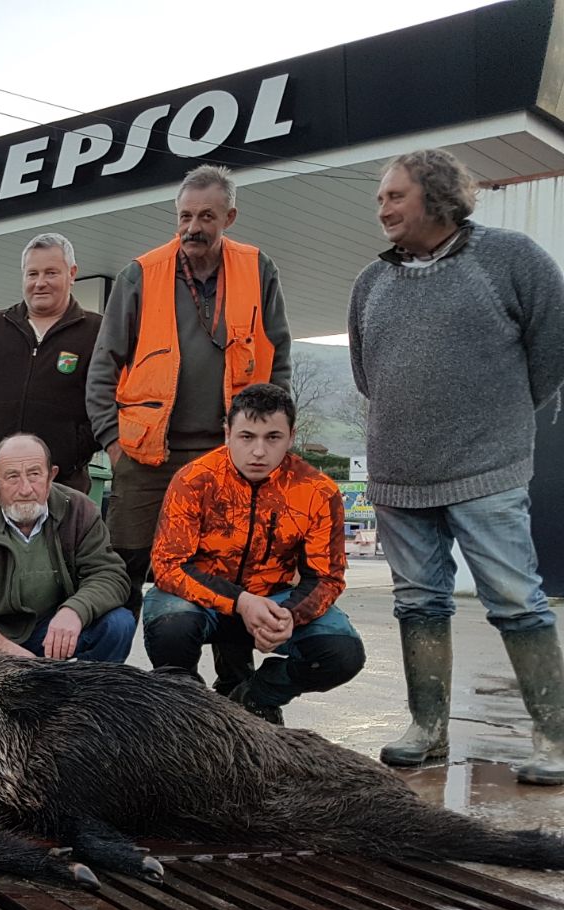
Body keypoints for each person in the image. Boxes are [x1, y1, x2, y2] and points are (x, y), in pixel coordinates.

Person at [350, 148, 564, 783]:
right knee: (417, 602)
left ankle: (554, 735)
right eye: (381, 197)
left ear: (436, 196)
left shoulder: (510, 258)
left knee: (516, 600)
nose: (382, 207)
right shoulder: (372, 280)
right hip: (399, 474)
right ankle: (429, 729)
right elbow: (366, 374)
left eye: (395, 196)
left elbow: (551, 349)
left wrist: (496, 419)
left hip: (487, 468)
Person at [87, 165, 292, 628]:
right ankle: (105, 686)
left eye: (205, 217)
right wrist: (114, 446)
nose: (192, 228)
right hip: (146, 457)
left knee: (233, 566)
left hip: (228, 454)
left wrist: (272, 439)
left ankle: (233, 684)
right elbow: (103, 366)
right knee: (123, 568)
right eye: (184, 217)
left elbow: (278, 357)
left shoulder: (259, 268)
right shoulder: (139, 275)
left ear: (230, 217)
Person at [144, 384, 363, 724]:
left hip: (276, 600)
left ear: (291, 437)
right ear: (228, 433)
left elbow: (326, 577)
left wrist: (291, 615)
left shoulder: (318, 491)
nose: (258, 451)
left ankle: (256, 697)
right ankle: (192, 714)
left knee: (342, 653)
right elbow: (168, 565)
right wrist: (241, 601)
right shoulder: (194, 480)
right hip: (205, 601)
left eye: (272, 437)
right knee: (169, 625)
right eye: (247, 437)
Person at [0, 434, 134, 680]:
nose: (26, 489)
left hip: (53, 628)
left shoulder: (80, 510)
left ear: (51, 476)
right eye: (12, 477)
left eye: (34, 474)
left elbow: (110, 575)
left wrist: (74, 611)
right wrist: (10, 653)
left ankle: (84, 702)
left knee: (118, 624)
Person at [0, 231, 102, 500]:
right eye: (32, 274)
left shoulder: (97, 332)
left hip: (62, 487)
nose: (40, 283)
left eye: (51, 273)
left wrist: (73, 451)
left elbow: (110, 401)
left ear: (72, 273)